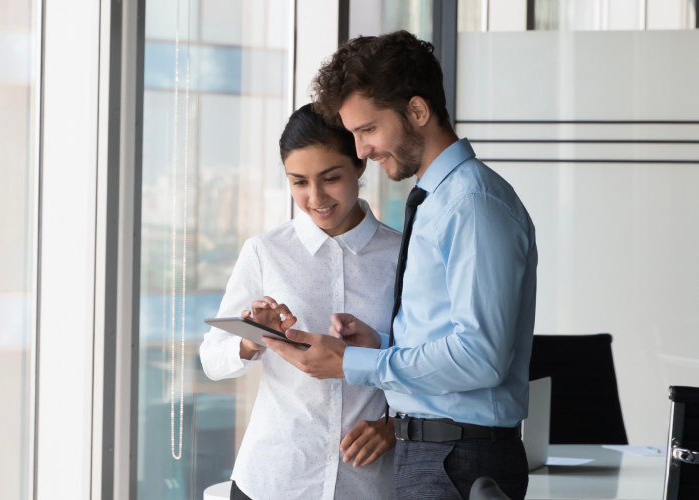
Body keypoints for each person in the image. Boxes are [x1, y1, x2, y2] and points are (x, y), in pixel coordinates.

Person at [251, 31, 539, 500]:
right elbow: (454, 339)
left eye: (368, 130)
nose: (361, 150)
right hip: (438, 455)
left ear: (418, 112)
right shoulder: (440, 201)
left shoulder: (471, 204)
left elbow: (481, 357)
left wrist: (355, 362)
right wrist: (382, 343)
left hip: (457, 460)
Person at [199, 103, 402, 500]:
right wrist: (253, 339)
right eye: (299, 182)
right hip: (274, 479)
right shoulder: (265, 252)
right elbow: (212, 360)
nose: (316, 197)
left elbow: (426, 358)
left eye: (330, 178)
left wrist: (395, 426)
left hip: (366, 485)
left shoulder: (402, 255)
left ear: (360, 166)